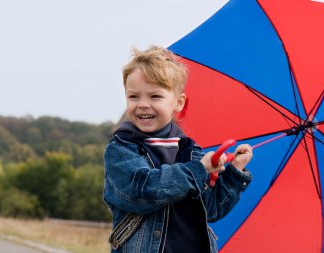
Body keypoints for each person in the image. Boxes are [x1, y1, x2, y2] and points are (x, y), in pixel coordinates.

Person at [103, 46, 253, 253]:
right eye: (134, 96)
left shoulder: (191, 152)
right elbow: (142, 192)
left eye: (155, 96)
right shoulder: (122, 150)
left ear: (178, 103)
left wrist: (234, 173)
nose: (143, 104)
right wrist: (197, 170)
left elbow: (211, 209)